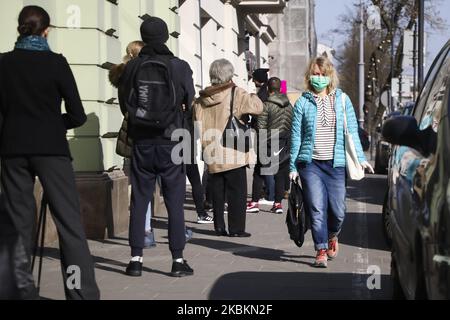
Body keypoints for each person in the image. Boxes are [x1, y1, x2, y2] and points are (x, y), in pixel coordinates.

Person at [0, 5, 100, 299]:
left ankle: (16, 291)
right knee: (69, 225)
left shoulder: (3, 64)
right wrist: (55, 125)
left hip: (12, 150)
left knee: (16, 226)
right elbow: (78, 115)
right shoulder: (56, 63)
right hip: (52, 149)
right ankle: (79, 293)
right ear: (47, 30)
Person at [119, 17, 195, 277]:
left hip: (142, 141)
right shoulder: (179, 66)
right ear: (165, 36)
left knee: (140, 198)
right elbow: (190, 102)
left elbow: (124, 105)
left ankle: (136, 259)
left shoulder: (132, 67)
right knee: (174, 201)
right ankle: (177, 261)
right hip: (172, 141)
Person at [289, 56, 374, 268]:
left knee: (338, 211)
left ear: (330, 76)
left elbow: (352, 131)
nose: (318, 78)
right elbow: (296, 136)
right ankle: (320, 250)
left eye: (323, 74)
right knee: (317, 208)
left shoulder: (342, 100)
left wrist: (361, 159)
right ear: (309, 76)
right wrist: (292, 166)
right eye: (315, 74)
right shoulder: (302, 102)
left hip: (336, 165)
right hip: (311, 165)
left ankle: (332, 235)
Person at [194, 59, 263, 237]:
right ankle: (236, 229)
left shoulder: (201, 98)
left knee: (217, 191)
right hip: (234, 151)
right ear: (229, 74)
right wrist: (253, 94)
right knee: (237, 193)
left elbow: (196, 121)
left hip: (211, 150)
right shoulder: (236, 92)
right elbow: (258, 107)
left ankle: (219, 226)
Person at [257, 77, 293, 214]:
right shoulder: (289, 105)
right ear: (279, 88)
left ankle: (264, 198)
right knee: (280, 175)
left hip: (270, 141)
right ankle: (278, 204)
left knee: (265, 172)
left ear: (268, 89)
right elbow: (293, 123)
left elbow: (261, 126)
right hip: (285, 142)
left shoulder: (266, 105)